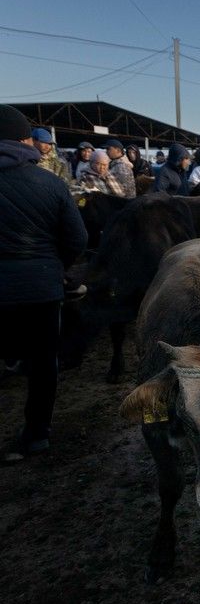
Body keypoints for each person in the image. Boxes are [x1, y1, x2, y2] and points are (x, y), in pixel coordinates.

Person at [0, 105, 88, 463]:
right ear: (26, 141)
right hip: (42, 290)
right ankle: (36, 434)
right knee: (43, 362)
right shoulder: (51, 183)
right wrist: (54, 267)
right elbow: (78, 238)